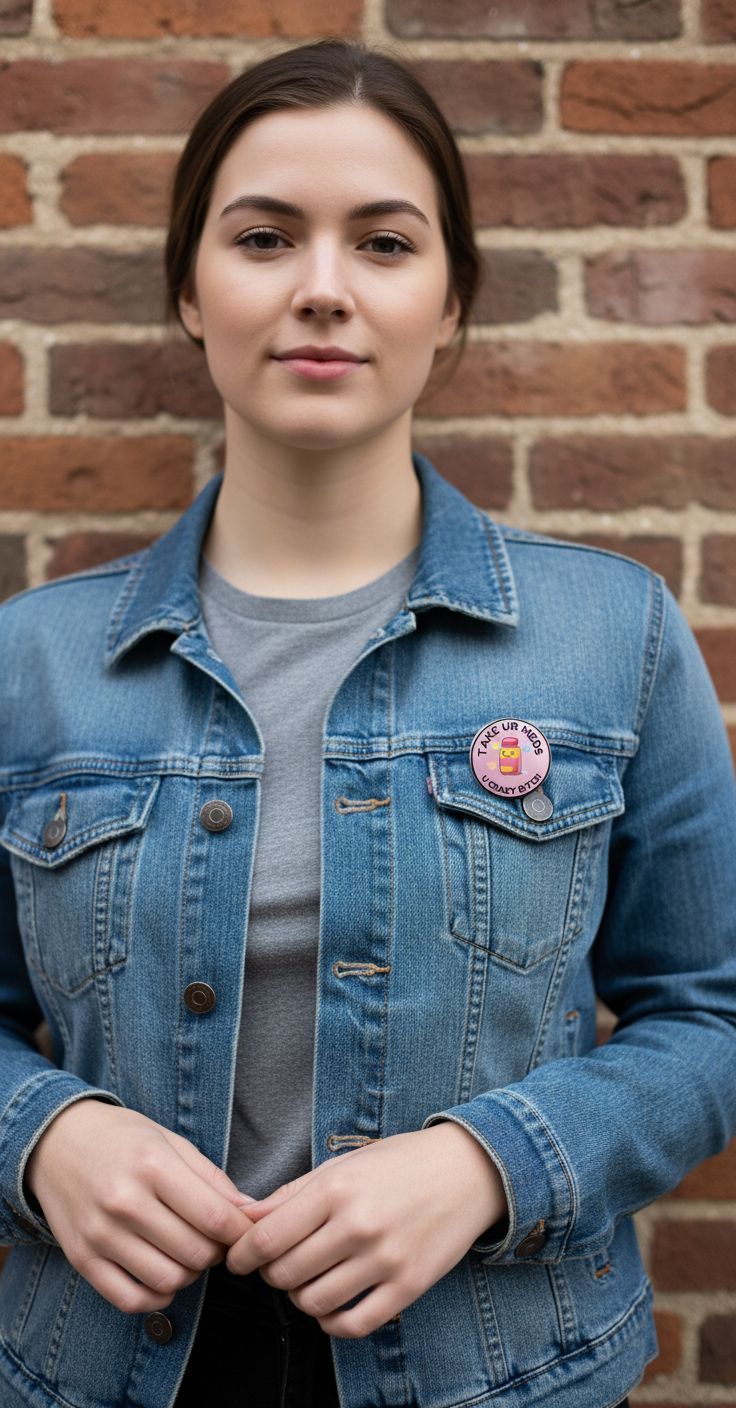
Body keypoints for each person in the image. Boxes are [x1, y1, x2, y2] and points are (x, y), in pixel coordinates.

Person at [0, 34, 734, 1408]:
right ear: (188, 290)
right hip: (102, 1368)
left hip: (500, 1368)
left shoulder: (613, 639)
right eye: (266, 237)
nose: (323, 289)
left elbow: (714, 1012)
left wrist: (491, 1162)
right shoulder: (27, 665)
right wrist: (41, 1137)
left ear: (451, 302)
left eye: (384, 245)